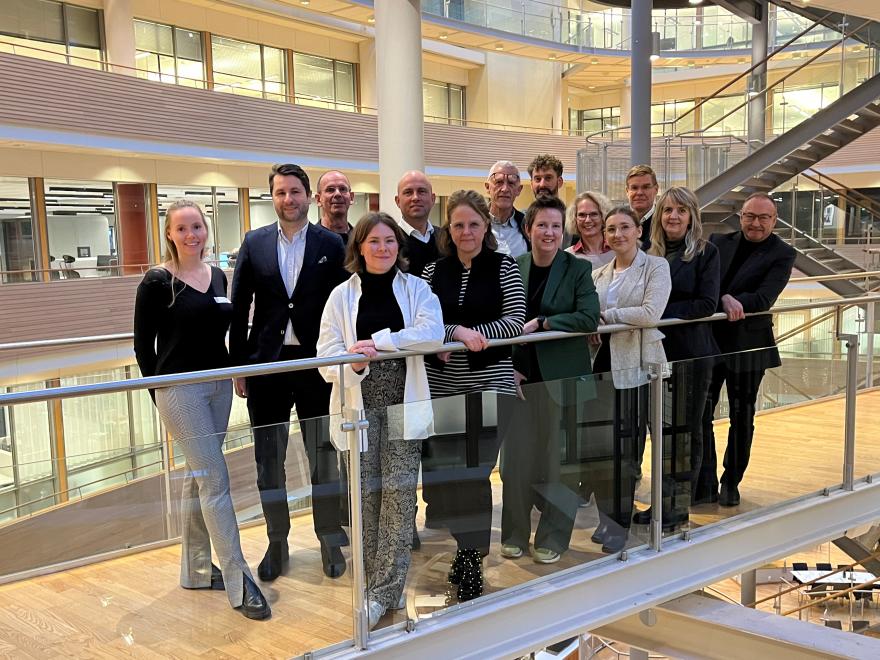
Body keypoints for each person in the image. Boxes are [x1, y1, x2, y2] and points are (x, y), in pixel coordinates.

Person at [134, 200, 270, 620]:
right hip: (180, 391)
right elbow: (143, 347)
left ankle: (195, 570)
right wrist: (162, 395)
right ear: (169, 234)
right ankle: (238, 580)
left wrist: (231, 373)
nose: (191, 234)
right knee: (215, 480)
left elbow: (223, 332)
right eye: (182, 228)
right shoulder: (156, 281)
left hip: (218, 387)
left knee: (200, 477)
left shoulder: (217, 275)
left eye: (197, 226)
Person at [317, 212, 444, 628]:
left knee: (399, 497)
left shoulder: (416, 288)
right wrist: (355, 363)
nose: (383, 248)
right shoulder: (341, 296)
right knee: (365, 496)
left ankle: (385, 590)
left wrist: (379, 343)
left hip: (404, 400)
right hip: (359, 403)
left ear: (398, 247)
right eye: (374, 241)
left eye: (390, 240)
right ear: (359, 247)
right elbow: (326, 355)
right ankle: (373, 586)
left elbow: (432, 333)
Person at [230, 163, 349, 582]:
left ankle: (329, 538)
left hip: (317, 366)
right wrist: (240, 365)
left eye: (295, 192)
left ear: (308, 196)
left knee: (324, 457)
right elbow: (239, 305)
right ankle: (276, 541)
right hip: (268, 367)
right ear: (273, 198)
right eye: (281, 193)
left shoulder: (331, 243)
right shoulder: (254, 242)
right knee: (268, 461)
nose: (288, 199)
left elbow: (345, 303)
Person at [421, 190, 526, 600]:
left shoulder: (504, 266)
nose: (466, 231)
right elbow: (423, 324)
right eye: (458, 225)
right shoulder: (433, 271)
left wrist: (472, 336)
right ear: (449, 229)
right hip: (443, 386)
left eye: (474, 224)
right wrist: (455, 332)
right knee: (450, 476)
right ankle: (465, 549)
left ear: (486, 226)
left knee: (475, 472)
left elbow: (515, 321)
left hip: (491, 383)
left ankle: (470, 557)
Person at [500, 196, 599, 564]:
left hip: (566, 380)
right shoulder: (515, 266)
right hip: (521, 380)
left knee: (563, 465)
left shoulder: (577, 269)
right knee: (516, 464)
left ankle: (553, 538)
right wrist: (511, 366)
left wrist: (545, 323)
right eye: (542, 224)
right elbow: (506, 322)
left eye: (556, 226)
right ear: (528, 229)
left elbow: (588, 317)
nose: (549, 232)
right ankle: (513, 534)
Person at [699, 192, 796, 507]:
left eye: (763, 217)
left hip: (749, 345)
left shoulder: (783, 253)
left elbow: (764, 297)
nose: (756, 223)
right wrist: (722, 298)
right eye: (750, 216)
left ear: (774, 220)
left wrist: (731, 298)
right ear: (741, 217)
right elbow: (705, 285)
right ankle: (705, 480)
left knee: (742, 415)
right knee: (701, 413)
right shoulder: (718, 242)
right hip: (711, 341)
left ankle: (731, 482)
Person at [638, 187, 720, 529]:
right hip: (654, 353)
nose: (673, 216)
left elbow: (707, 304)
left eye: (681, 211)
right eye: (668, 210)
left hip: (691, 356)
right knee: (660, 432)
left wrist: (655, 312)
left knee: (685, 433)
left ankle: (678, 507)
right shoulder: (646, 252)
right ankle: (661, 502)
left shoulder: (706, 252)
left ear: (692, 217)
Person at [590, 206, 671, 552]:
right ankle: (606, 517)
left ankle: (619, 524)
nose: (617, 234)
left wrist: (607, 317)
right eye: (611, 229)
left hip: (638, 367)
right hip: (602, 364)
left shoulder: (656, 266)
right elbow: (588, 317)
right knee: (602, 450)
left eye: (625, 227)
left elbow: (651, 313)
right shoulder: (598, 274)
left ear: (639, 231)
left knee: (627, 452)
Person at [396, 170, 439, 279]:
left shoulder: (446, 238)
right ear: (398, 201)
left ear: (433, 199)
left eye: (422, 191)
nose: (415, 198)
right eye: (408, 192)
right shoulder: (390, 241)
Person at [485, 160, 529, 257]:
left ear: (519, 190)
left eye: (511, 183)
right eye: (499, 182)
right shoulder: (474, 223)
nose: (505, 189)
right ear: (487, 187)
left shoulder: (527, 225)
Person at [566, 191, 613, 267]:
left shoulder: (618, 251)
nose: (587, 220)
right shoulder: (567, 257)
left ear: (603, 217)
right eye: (582, 215)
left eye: (594, 214)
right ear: (574, 219)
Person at [625, 164, 660, 251]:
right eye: (634, 188)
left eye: (646, 187)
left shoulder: (664, 221)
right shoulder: (618, 219)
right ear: (627, 191)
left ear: (656, 189)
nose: (639, 192)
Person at [316, 170, 355, 245]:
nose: (338, 194)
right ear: (318, 199)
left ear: (351, 197)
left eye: (342, 189)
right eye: (330, 190)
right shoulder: (308, 240)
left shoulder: (361, 240)